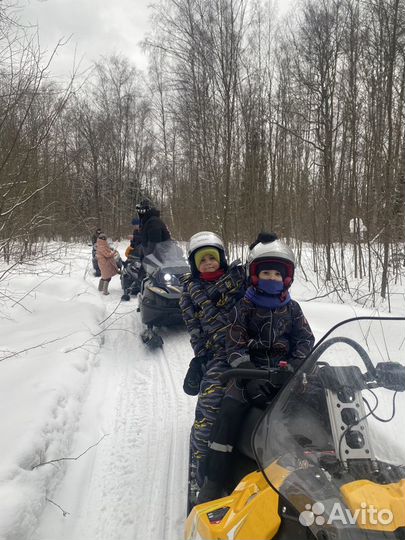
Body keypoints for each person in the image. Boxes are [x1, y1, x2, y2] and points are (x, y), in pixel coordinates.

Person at [197, 232, 315, 503]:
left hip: (287, 372)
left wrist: (298, 363)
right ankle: (214, 479)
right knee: (229, 410)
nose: (271, 278)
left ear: (285, 278)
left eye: (276, 274)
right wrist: (246, 370)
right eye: (266, 273)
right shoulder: (244, 306)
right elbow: (234, 341)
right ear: (255, 276)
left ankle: (334, 461)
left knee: (324, 397)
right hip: (251, 372)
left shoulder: (292, 309)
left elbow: (305, 338)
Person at [180, 231, 245, 487]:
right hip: (217, 355)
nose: (208, 263)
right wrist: (201, 357)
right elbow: (193, 326)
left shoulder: (238, 280)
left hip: (248, 347)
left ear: (222, 258)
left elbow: (261, 277)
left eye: (212, 258)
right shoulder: (190, 291)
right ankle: (201, 465)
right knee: (211, 402)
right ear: (195, 265)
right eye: (202, 260)